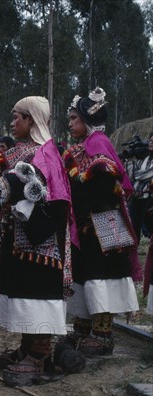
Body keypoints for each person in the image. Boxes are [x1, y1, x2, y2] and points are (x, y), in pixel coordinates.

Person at [0, 96, 78, 386]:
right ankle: (27, 348)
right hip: (19, 238)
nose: (12, 122)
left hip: (41, 243)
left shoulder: (46, 153)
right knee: (23, 290)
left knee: (38, 292)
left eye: (18, 116)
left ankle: (41, 355)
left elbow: (54, 198)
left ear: (31, 120)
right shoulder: (21, 152)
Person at [64, 87, 139, 355]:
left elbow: (105, 184)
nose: (70, 123)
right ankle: (82, 329)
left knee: (102, 276)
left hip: (103, 224)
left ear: (87, 119)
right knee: (85, 275)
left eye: (74, 118)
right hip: (88, 224)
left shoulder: (97, 144)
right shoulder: (84, 146)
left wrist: (78, 199)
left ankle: (102, 334)